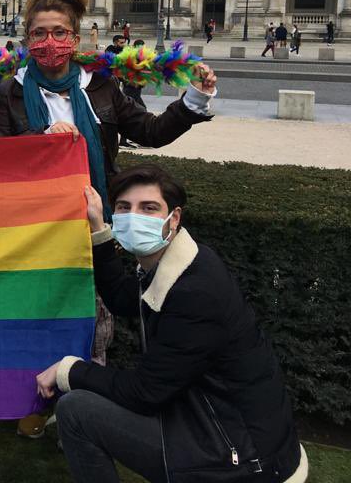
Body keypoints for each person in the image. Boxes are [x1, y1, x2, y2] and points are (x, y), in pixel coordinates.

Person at [0, 0, 217, 439]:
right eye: (38, 33)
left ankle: (83, 410)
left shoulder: (101, 87)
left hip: (94, 221)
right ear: (27, 38)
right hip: (34, 225)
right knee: (39, 314)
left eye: (59, 32)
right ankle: (34, 402)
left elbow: (150, 131)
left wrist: (194, 100)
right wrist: (38, 144)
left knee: (95, 321)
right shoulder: (8, 92)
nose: (49, 42)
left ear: (75, 38)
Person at [37, 164, 307, 483]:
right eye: (124, 207)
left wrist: (69, 370)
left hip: (243, 458)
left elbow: (144, 392)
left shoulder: (195, 292)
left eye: (148, 208)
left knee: (75, 410)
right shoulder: (179, 262)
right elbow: (122, 297)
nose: (134, 217)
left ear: (174, 218)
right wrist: (99, 229)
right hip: (222, 427)